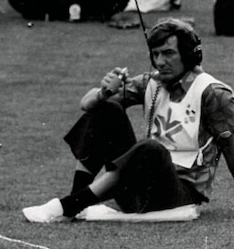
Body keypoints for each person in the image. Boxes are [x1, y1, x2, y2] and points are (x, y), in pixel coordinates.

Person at [22, 18, 234, 223]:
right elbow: (86, 104)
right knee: (106, 108)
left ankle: (68, 205)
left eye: (168, 53)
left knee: (152, 149)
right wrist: (103, 93)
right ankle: (77, 200)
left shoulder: (213, 94)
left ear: (189, 56)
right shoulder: (151, 82)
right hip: (139, 187)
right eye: (156, 54)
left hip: (179, 195)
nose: (160, 62)